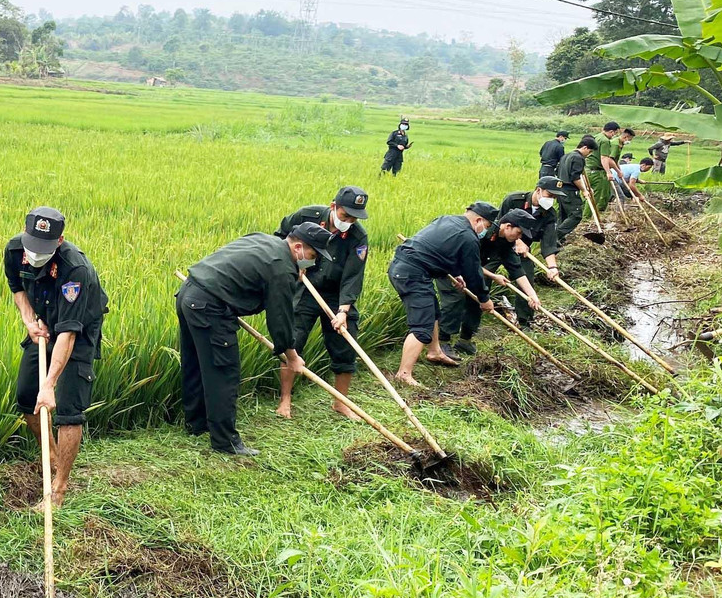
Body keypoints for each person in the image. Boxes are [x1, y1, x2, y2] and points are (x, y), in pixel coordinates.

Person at [177, 223, 335, 456]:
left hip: (189, 293)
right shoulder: (281, 268)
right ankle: (225, 441)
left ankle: (196, 424)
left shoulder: (266, 241)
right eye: (312, 256)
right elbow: (280, 318)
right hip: (209, 307)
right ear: (298, 247)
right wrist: (292, 356)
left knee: (197, 365)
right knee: (224, 372)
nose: (312, 262)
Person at [3, 206, 108, 510]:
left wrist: (50, 384)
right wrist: (28, 320)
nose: (35, 254)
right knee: (27, 397)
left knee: (67, 409)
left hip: (77, 329)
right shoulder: (13, 250)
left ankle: (59, 488)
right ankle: (49, 455)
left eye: (44, 249)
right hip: (44, 323)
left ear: (60, 240)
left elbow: (68, 334)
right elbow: (17, 287)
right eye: (32, 245)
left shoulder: (75, 269)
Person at [274, 185, 371, 420]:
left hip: (337, 294)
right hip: (304, 287)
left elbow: (353, 275)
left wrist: (344, 310)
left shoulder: (358, 237)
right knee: (293, 342)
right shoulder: (307, 216)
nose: (349, 221)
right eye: (345, 215)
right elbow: (279, 239)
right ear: (333, 207)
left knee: (345, 344)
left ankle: (341, 403)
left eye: (354, 217)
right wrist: (295, 266)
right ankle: (285, 400)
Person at [387, 201, 498, 386]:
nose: (484, 231)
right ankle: (404, 374)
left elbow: (440, 250)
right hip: (412, 274)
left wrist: (455, 273)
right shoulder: (469, 238)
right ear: (479, 220)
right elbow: (474, 273)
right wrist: (484, 299)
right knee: (421, 325)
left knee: (433, 310)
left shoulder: (446, 220)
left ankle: (435, 351)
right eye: (486, 227)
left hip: (406, 267)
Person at [437, 208, 543, 355]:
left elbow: (516, 270)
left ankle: (465, 341)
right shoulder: (481, 231)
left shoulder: (505, 242)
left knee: (478, 300)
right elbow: (467, 262)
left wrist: (532, 295)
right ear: (507, 226)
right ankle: (443, 342)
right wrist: (493, 276)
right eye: (519, 233)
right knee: (454, 300)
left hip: (474, 270)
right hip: (453, 267)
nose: (519, 237)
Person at [500, 175, 565, 307]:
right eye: (549, 195)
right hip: (497, 245)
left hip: (523, 253)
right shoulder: (513, 200)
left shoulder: (550, 214)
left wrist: (552, 267)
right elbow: (499, 225)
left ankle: (524, 322)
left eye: (554, 197)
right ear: (538, 190)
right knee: (483, 274)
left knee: (527, 280)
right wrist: (517, 242)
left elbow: (548, 242)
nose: (551, 199)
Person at [556, 135, 594, 242]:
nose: (589, 154)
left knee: (563, 215)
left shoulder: (566, 156)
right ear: (585, 148)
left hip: (560, 188)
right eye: (590, 151)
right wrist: (584, 190)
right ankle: (555, 236)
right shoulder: (578, 158)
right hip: (570, 190)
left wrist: (587, 187)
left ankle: (559, 239)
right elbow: (575, 178)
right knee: (576, 215)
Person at [587, 122, 631, 211]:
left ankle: (592, 214)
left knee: (592, 194)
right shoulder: (605, 141)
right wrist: (609, 172)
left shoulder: (597, 136)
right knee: (597, 195)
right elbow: (605, 158)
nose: (614, 135)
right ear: (611, 131)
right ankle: (589, 216)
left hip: (589, 169)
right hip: (597, 171)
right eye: (615, 133)